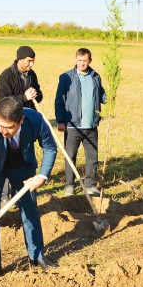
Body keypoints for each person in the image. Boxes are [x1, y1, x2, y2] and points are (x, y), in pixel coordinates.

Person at [0, 96, 57, 278]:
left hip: (22, 165)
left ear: (21, 120)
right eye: (1, 126)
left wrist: (42, 176)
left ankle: (36, 255)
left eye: (9, 127)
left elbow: (50, 148)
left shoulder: (35, 120)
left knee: (30, 209)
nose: (4, 131)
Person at [0, 45, 44, 206]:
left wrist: (37, 94)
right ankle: (3, 197)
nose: (32, 64)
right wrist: (23, 97)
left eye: (33, 61)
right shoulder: (5, 77)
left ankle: (21, 194)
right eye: (29, 61)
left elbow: (39, 93)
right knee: (5, 159)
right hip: (9, 126)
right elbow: (3, 102)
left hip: (26, 125)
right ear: (20, 59)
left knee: (24, 158)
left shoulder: (32, 75)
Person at [54, 48, 106, 196]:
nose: (82, 63)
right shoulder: (66, 77)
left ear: (90, 60)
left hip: (91, 125)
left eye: (85, 60)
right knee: (70, 156)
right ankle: (69, 185)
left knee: (92, 157)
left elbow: (100, 93)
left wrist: (107, 97)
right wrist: (60, 121)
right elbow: (59, 100)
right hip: (73, 125)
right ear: (76, 60)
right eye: (79, 60)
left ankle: (90, 184)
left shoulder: (95, 76)